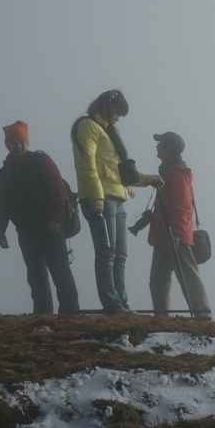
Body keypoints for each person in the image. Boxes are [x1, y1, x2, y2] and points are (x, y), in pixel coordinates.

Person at [71, 90, 162, 315]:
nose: (118, 118)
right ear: (106, 107)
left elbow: (120, 172)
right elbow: (87, 164)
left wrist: (146, 178)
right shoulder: (88, 126)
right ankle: (112, 305)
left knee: (119, 255)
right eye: (118, 112)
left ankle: (122, 303)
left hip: (117, 200)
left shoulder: (107, 132)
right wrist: (97, 197)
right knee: (107, 252)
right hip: (102, 200)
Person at [0, 121, 80, 314]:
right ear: (7, 145)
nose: (17, 145)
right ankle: (42, 317)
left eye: (20, 141)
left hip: (50, 226)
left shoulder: (42, 161)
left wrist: (54, 217)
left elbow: (59, 190)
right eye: (12, 142)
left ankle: (70, 314)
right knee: (36, 278)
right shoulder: (4, 173)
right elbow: (2, 204)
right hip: (25, 232)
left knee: (60, 273)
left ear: (27, 141)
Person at [147, 131, 212, 322]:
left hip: (175, 234)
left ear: (169, 147)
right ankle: (162, 318)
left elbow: (183, 206)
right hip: (164, 234)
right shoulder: (170, 170)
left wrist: (175, 234)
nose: (157, 146)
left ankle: (203, 317)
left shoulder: (176, 172)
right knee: (158, 280)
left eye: (161, 143)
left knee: (187, 277)